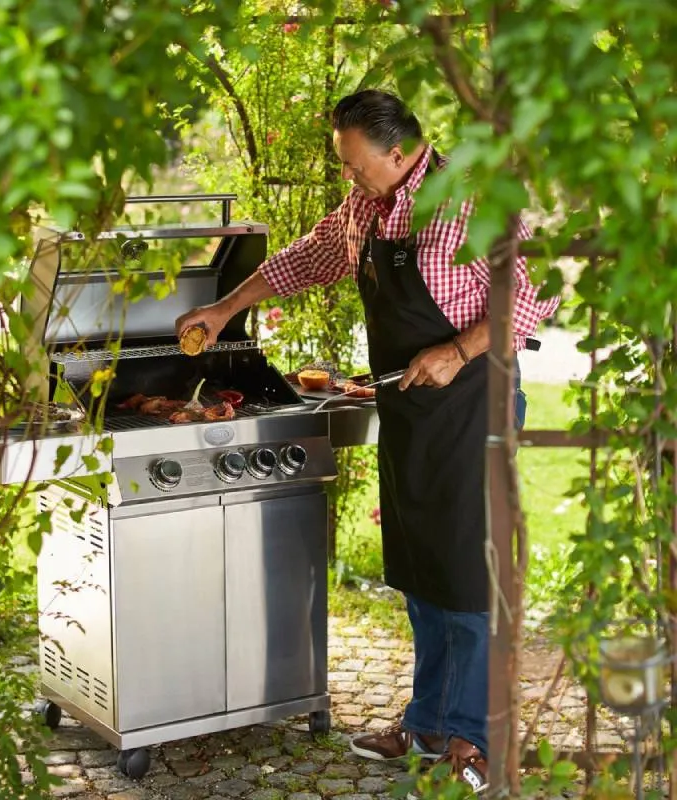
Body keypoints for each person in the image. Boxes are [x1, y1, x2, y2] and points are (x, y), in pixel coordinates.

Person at [175, 89, 559, 793]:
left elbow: (538, 293)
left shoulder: (468, 199)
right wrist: (226, 307)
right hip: (411, 408)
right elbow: (308, 256)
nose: (348, 179)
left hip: (478, 401)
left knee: (471, 572)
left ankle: (473, 741)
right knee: (423, 570)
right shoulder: (367, 207)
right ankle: (428, 721)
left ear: (399, 151)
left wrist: (461, 351)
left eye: (354, 167)